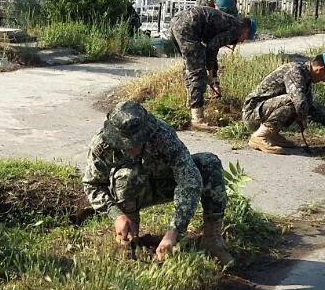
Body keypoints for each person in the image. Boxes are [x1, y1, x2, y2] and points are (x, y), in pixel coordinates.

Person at [82, 101, 232, 266]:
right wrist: (116, 214)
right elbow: (92, 184)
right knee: (127, 175)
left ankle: (212, 240)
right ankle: (130, 238)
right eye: (127, 144)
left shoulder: (163, 135)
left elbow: (189, 180)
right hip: (131, 191)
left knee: (208, 163)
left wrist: (174, 231)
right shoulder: (102, 145)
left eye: (137, 142)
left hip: (165, 184)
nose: (133, 148)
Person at [243, 53, 325, 154]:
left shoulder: (305, 77)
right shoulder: (295, 71)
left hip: (262, 112)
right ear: (320, 69)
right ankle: (260, 136)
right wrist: (303, 117)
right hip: (253, 114)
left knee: (301, 104)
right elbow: (299, 101)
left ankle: (272, 135)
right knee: (293, 101)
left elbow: (309, 109)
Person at [168, 5, 255, 132]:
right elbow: (212, 48)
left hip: (177, 21)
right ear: (246, 30)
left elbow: (212, 49)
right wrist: (209, 71)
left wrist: (214, 78)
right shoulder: (236, 29)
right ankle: (197, 119)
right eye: (246, 38)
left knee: (190, 67)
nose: (242, 41)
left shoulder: (230, 22)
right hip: (189, 26)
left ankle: (191, 106)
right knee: (198, 72)